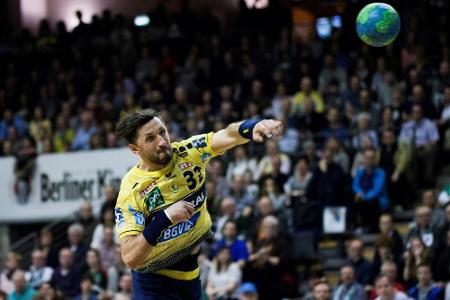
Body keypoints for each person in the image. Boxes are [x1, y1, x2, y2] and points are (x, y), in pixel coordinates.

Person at [114, 109, 283, 299]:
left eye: (162, 132)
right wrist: (165, 218)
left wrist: (253, 126)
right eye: (150, 138)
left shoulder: (189, 152)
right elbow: (130, 257)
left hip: (191, 274)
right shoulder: (132, 190)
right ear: (135, 149)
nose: (162, 142)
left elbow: (228, 134)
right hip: (154, 282)